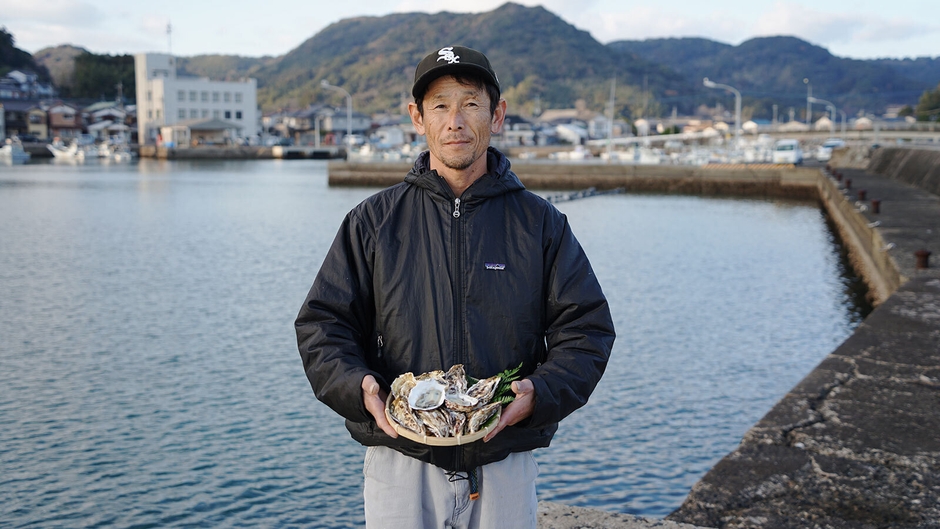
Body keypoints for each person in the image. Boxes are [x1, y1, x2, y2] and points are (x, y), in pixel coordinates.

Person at [295, 45, 615, 528]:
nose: (455, 121)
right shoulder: (373, 222)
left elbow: (587, 329)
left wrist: (540, 391)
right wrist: (357, 387)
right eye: (440, 106)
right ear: (417, 118)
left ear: (497, 115)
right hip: (400, 459)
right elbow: (323, 324)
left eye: (470, 104)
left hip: (504, 456)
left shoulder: (541, 224)